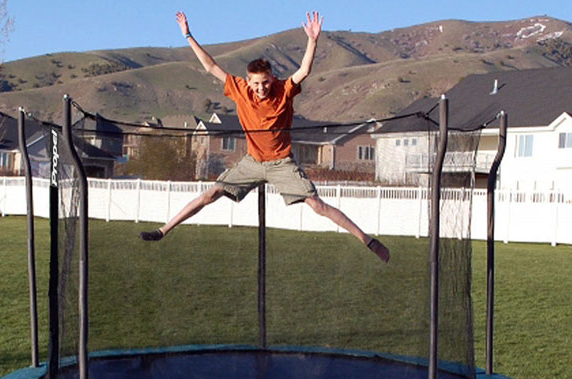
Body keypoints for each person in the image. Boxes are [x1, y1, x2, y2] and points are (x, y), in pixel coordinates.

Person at [139, 11, 390, 263]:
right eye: (256, 84)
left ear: (272, 79)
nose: (261, 88)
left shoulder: (283, 90)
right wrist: (188, 35)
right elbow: (211, 66)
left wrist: (312, 41)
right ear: (248, 82)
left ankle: (367, 240)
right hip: (253, 162)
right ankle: (163, 230)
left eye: (265, 82)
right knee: (210, 194)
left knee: (316, 205)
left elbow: (303, 70)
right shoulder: (239, 89)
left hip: (282, 163)